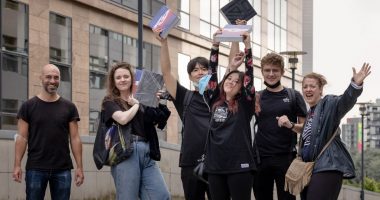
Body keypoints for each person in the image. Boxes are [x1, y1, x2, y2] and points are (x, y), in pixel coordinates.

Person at [153, 27, 222, 200]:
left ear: (210, 73)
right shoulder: (184, 96)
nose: (200, 72)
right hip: (190, 162)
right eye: (195, 70)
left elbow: (232, 69)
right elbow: (167, 72)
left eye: (204, 69)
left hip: (217, 161)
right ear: (190, 76)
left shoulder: (219, 96)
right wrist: (164, 42)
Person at [299, 63, 371, 200]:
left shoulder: (329, 103)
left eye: (312, 86)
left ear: (320, 90)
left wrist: (355, 85)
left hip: (328, 166)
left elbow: (345, 101)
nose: (308, 89)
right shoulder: (310, 113)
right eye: (305, 87)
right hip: (311, 168)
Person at [13, 64, 84, 200]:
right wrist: (17, 165)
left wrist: (79, 167)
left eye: (56, 77)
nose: (52, 81)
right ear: (41, 78)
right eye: (48, 77)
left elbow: (75, 138)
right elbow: (22, 138)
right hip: (35, 168)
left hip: (62, 169)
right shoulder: (28, 106)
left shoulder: (69, 107)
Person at [101, 62, 171, 200]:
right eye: (118, 77)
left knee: (161, 196)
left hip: (147, 151)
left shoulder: (143, 99)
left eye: (126, 76)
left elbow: (159, 121)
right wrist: (137, 105)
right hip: (126, 151)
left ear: (132, 79)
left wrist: (155, 101)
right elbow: (122, 119)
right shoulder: (109, 101)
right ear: (113, 82)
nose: (122, 80)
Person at [205, 32, 256, 200]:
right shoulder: (214, 99)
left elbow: (249, 73)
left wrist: (247, 46)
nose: (231, 82)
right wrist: (215, 45)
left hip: (240, 166)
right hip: (215, 166)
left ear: (242, 88)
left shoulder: (245, 103)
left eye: (237, 81)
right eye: (229, 78)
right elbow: (212, 72)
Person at [253, 52, 308, 200]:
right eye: (267, 70)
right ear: (262, 72)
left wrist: (290, 125)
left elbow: (306, 129)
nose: (271, 74)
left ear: (282, 72)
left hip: (286, 159)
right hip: (260, 158)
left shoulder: (293, 96)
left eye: (275, 70)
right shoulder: (257, 97)